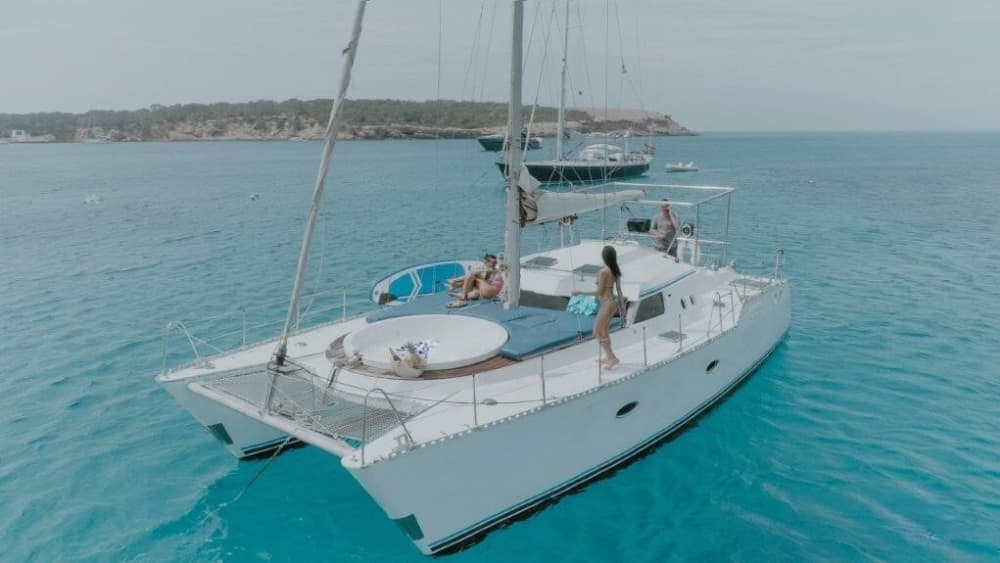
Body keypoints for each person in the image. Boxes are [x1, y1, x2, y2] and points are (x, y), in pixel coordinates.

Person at [572, 245, 624, 370]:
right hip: (613, 303)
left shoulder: (603, 272)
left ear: (604, 257)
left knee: (596, 331)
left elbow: (599, 292)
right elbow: (619, 290)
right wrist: (622, 306)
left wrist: (580, 292)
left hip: (606, 303)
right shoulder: (615, 271)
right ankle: (608, 356)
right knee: (604, 331)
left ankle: (612, 358)